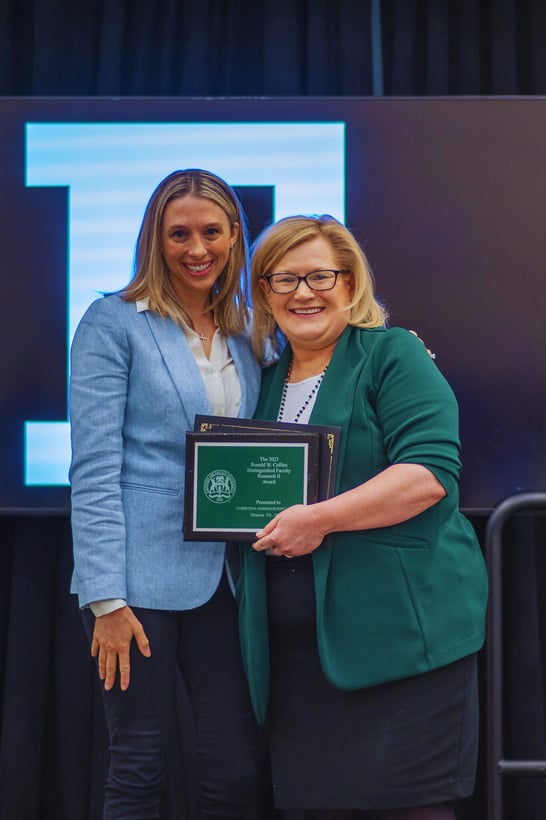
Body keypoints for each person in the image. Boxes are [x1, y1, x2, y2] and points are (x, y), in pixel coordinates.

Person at [237, 214, 489, 820]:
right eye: (283, 279)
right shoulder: (264, 383)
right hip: (301, 666)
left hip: (400, 652)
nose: (303, 292)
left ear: (350, 285)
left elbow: (428, 475)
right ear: (264, 295)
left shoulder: (392, 354)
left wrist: (319, 519)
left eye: (321, 275)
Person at [69, 169, 263, 819]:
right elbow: (94, 470)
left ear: (235, 236)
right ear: (156, 238)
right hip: (135, 589)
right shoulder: (113, 322)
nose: (196, 248)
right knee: (139, 764)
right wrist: (104, 598)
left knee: (235, 770)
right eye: (178, 233)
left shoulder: (251, 333)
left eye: (211, 231)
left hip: (230, 580)